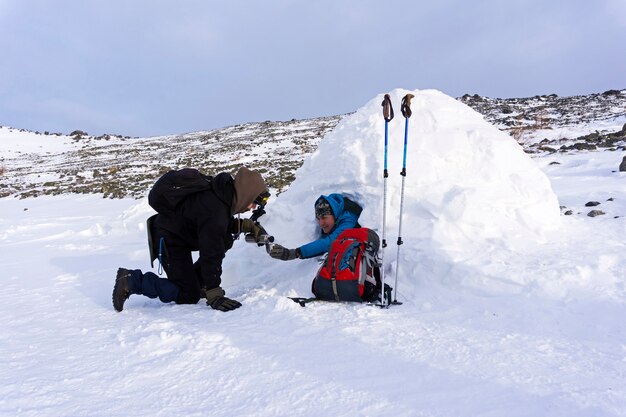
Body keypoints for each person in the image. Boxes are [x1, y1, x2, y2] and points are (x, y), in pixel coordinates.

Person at [112, 167, 268, 313]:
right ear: (248, 193)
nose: (253, 208)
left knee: (224, 239)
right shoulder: (216, 209)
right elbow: (211, 251)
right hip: (168, 239)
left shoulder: (222, 195)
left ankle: (197, 283)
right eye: (255, 202)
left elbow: (209, 223)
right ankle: (132, 280)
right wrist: (214, 292)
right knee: (188, 294)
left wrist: (244, 225)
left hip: (179, 235)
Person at [267, 193, 362, 261]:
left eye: (324, 218)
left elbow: (332, 242)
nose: (321, 223)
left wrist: (295, 253)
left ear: (334, 214)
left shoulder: (349, 219)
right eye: (318, 218)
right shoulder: (334, 219)